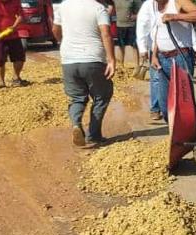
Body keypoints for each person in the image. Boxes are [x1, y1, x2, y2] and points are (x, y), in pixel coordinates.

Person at [53, 0, 116, 147]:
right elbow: (106, 34)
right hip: (93, 59)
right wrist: (111, 60)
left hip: (68, 60)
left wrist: (64, 43)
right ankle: (93, 135)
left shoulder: (63, 6)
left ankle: (76, 124)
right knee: (102, 95)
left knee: (76, 98)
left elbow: (55, 30)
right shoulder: (99, 8)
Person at [148, 0, 196, 122]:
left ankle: (192, 130)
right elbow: (158, 32)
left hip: (180, 57)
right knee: (164, 105)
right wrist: (154, 55)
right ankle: (179, 131)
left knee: (184, 100)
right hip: (162, 58)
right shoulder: (155, 6)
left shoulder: (178, 2)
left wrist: (174, 16)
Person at [135, 0, 162, 120]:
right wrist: (143, 48)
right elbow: (142, 26)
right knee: (156, 79)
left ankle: (173, 107)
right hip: (156, 50)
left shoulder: (177, 3)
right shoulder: (149, 5)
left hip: (175, 49)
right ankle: (155, 108)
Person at [114, 0, 142, 72]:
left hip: (131, 26)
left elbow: (142, 10)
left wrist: (136, 16)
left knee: (134, 46)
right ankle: (121, 67)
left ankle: (137, 67)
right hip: (119, 26)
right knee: (121, 46)